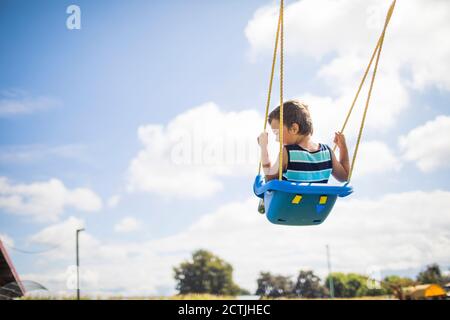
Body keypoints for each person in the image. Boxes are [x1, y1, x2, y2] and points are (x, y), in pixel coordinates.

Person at [257, 100, 350, 213]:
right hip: (315, 210)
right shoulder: (327, 152)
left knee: (265, 185)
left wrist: (263, 147)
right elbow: (344, 176)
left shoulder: (288, 152)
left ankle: (264, 201)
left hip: (286, 207)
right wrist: (343, 147)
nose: (277, 139)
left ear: (294, 129)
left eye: (277, 133)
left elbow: (269, 177)